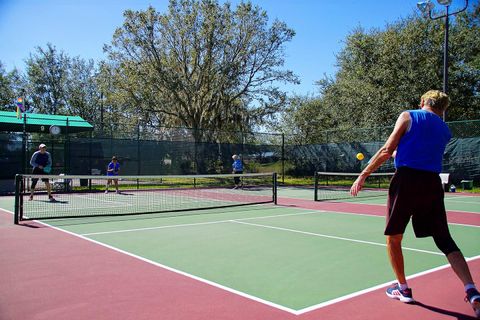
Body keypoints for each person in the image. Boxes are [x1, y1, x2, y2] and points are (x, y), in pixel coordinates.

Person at [350, 90, 479, 317]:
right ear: (443, 109)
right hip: (431, 183)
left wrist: (363, 174)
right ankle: (472, 291)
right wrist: (398, 154)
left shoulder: (408, 116)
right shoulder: (444, 130)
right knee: (445, 240)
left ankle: (403, 289)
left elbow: (387, 149)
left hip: (406, 181)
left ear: (422, 102)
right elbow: (415, 150)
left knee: (394, 237)